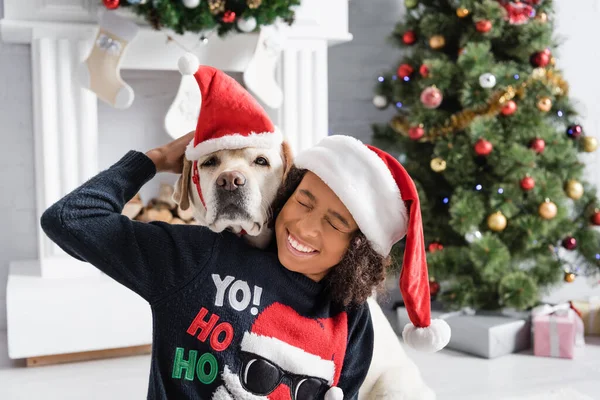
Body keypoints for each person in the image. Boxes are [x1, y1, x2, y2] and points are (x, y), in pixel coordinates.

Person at [41, 64, 449, 400]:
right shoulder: (188, 258)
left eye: (258, 162)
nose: (231, 178)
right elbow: (69, 219)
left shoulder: (350, 309)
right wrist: (151, 160)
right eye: (212, 164)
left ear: (282, 175)